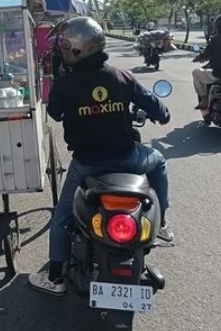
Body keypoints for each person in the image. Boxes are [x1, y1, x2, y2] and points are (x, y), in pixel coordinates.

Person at [28, 17, 173, 296]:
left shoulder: (66, 84)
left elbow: (55, 113)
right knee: (159, 161)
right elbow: (155, 107)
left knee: (62, 216)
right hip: (128, 157)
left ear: (76, 48)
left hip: (87, 164)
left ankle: (55, 277)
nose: (61, 49)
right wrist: (162, 115)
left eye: (65, 45)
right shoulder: (121, 76)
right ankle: (163, 221)